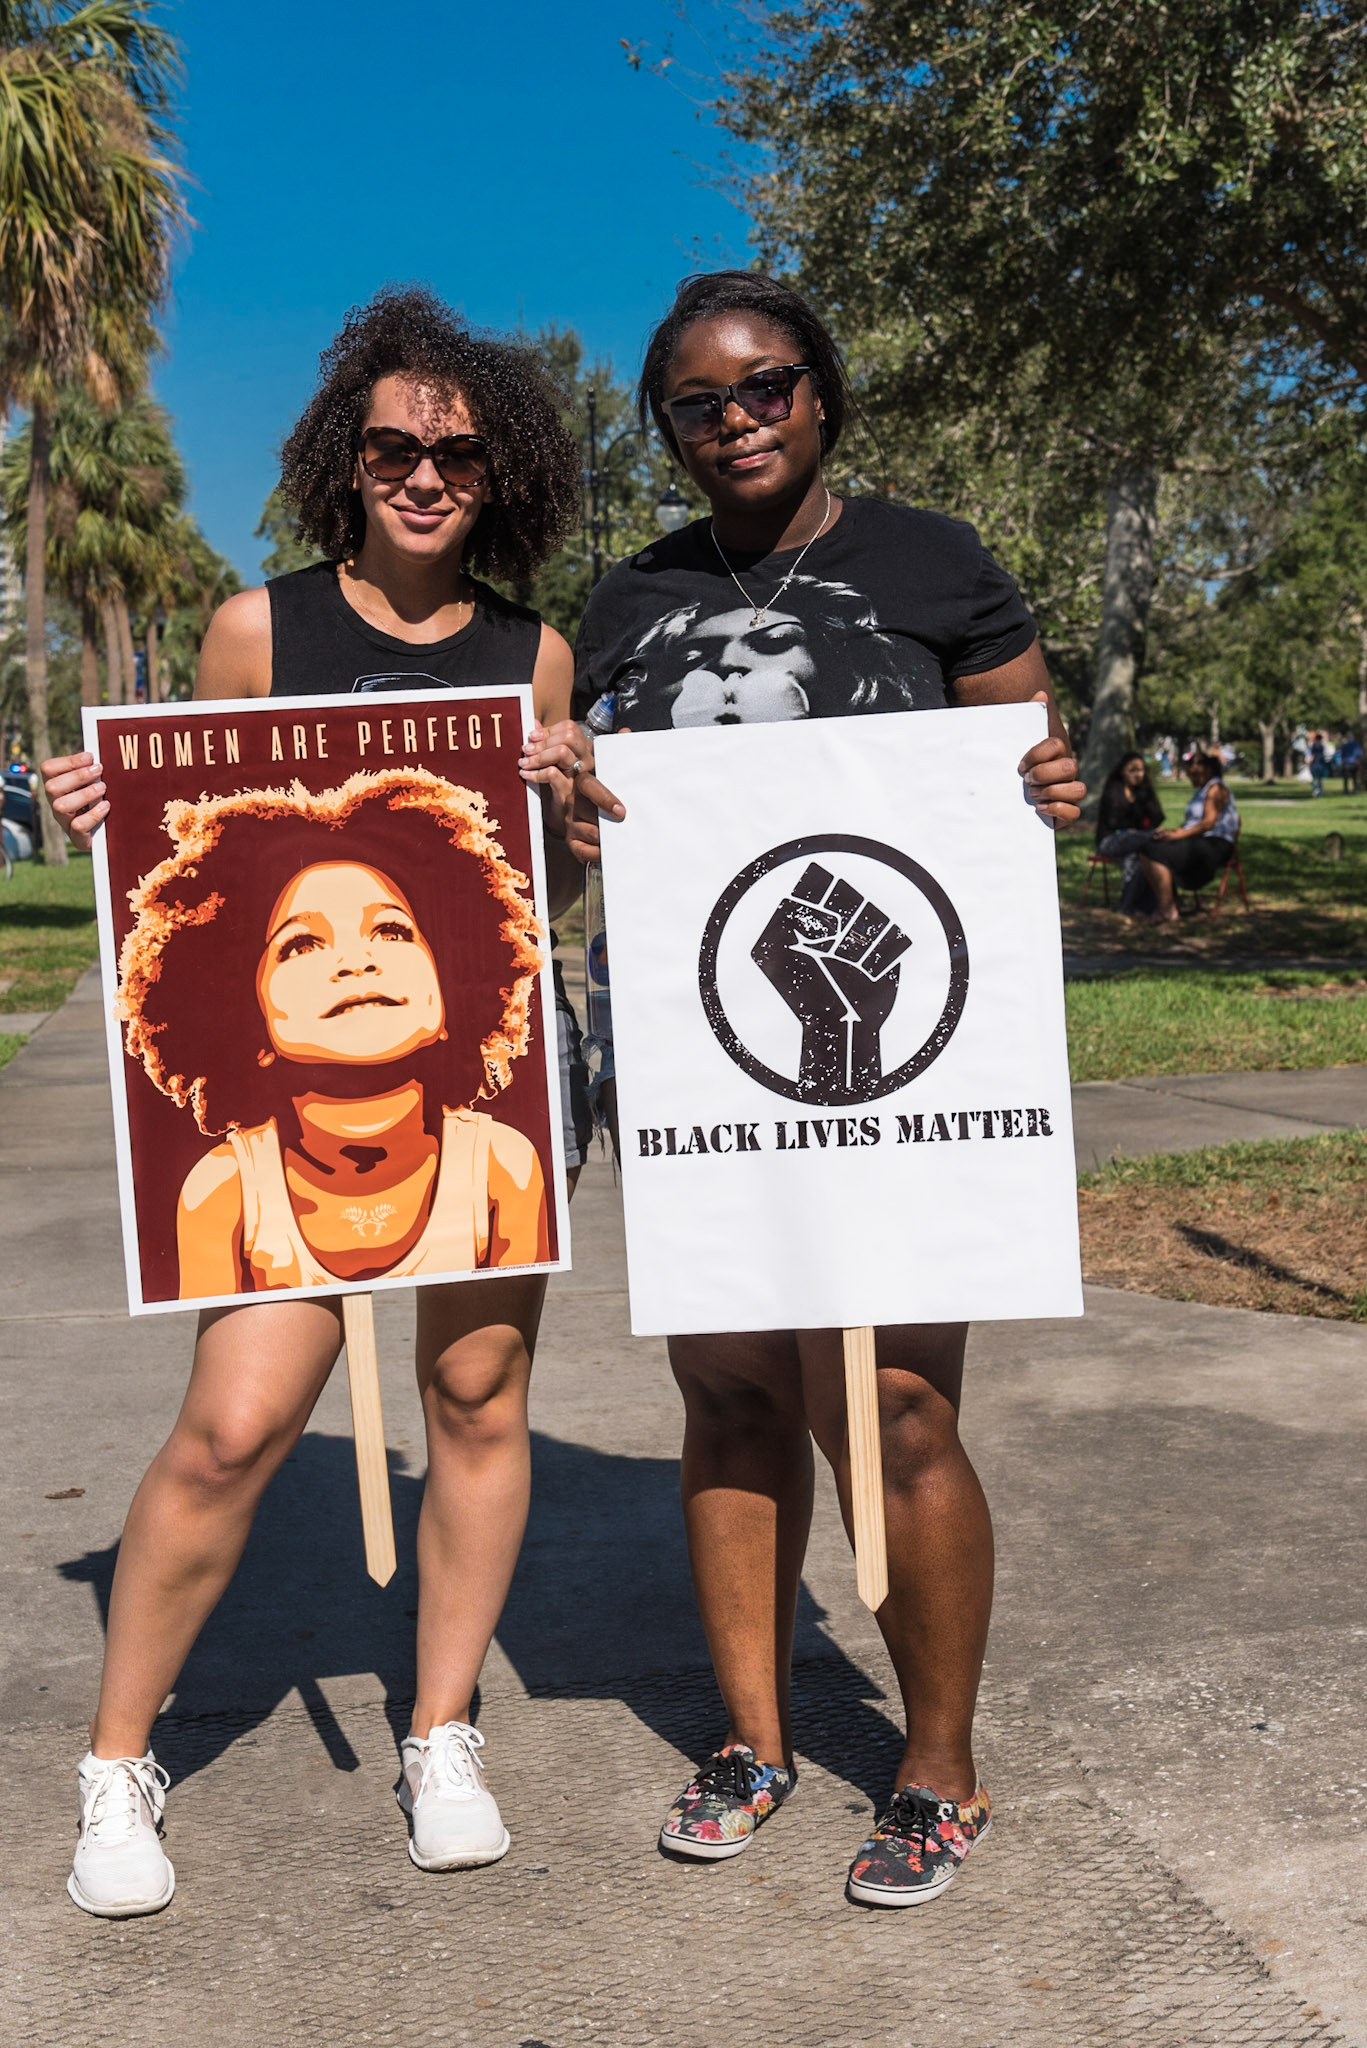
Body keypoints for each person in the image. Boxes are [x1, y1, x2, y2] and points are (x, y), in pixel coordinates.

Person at [522, 270, 1083, 1908]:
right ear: (669, 429)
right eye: (698, 401)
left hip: (907, 1066)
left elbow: (1019, 779)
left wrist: (1048, 776)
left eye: (764, 385)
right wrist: (569, 809)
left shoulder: (934, 562)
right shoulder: (624, 602)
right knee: (734, 1401)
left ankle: (936, 1767)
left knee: (896, 1408)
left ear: (821, 393)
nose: (735, 418)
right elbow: (586, 814)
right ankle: (755, 1741)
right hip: (704, 1059)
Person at [40, 286, 583, 1915]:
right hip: (278, 1127)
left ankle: (440, 1731)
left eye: (459, 453)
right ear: (343, 461)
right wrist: (96, 799)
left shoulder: (532, 650)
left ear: (502, 474)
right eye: (394, 447)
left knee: (478, 1404)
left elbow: (535, 893)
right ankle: (117, 1759)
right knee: (233, 1423)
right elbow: (187, 847)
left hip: (483, 1095)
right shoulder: (254, 629)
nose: (426, 473)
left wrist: (576, 803)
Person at [114, 776, 550, 1298]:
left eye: (390, 932)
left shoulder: (504, 1166)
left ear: (450, 981)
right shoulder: (222, 1190)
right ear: (240, 1009)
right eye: (301, 945)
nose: (355, 961)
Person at [1138, 751, 1240, 922]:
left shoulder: (1216, 788)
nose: (1191, 778)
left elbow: (1208, 823)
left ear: (1204, 771)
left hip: (1215, 843)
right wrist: (1172, 833)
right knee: (1147, 847)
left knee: (1154, 851)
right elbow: (1192, 824)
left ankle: (1167, 908)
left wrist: (1176, 836)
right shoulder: (1204, 789)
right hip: (1198, 840)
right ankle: (1171, 902)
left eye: (1193, 774)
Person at [1094, 752, 1164, 915]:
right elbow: (1112, 822)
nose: (1137, 774)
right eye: (1132, 770)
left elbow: (1157, 816)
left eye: (1140, 770)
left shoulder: (1143, 791)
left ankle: (1135, 907)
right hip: (1110, 841)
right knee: (1155, 837)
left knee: (1141, 859)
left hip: (1136, 844)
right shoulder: (1114, 789)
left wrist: (1146, 796)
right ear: (1122, 771)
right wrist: (1134, 830)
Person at [1310, 732, 1327, 797]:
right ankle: (1320, 793)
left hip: (1314, 764)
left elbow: (1312, 755)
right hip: (1321, 765)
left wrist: (1308, 764)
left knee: (1313, 779)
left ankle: (1316, 789)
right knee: (1320, 780)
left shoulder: (1314, 745)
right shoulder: (1322, 746)